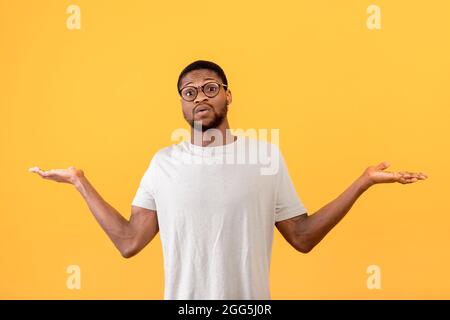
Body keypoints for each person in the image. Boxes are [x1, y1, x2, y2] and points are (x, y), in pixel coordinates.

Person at [29, 60, 427, 300]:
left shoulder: (264, 156)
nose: (199, 97)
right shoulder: (163, 163)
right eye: (189, 92)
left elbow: (302, 237)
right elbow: (130, 243)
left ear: (228, 95)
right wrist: (80, 182)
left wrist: (362, 182)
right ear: (182, 103)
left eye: (209, 88)